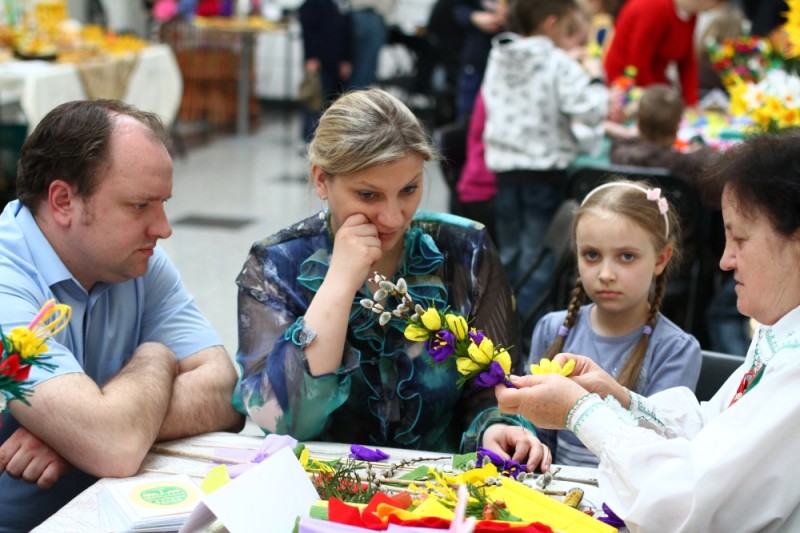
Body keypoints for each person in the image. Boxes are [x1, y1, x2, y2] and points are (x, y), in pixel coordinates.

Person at [496, 129, 800, 530]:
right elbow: (711, 429)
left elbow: (685, 501)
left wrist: (580, 411)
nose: (726, 260)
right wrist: (621, 398)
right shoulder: (780, 335)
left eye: (740, 239)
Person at [233, 88, 550, 470]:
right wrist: (338, 284)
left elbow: (492, 386)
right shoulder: (275, 265)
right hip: (321, 483)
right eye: (368, 195)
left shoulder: (465, 251)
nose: (393, 217)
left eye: (409, 189)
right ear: (321, 179)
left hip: (439, 486)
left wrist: (494, 427)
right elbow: (285, 420)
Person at [0, 100, 243, 533]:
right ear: (63, 201)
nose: (163, 227)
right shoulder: (6, 281)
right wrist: (156, 357)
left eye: (163, 203)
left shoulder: (135, 262)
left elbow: (227, 392)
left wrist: (77, 434)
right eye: (139, 206)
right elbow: (113, 446)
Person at [529, 179, 701, 466]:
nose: (606, 273)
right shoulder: (551, 329)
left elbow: (661, 448)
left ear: (661, 259)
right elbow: (534, 431)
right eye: (592, 255)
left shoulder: (676, 349)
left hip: (629, 499)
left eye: (626, 256)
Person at [482, 0, 608, 322]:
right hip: (544, 171)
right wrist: (595, 79)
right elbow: (589, 109)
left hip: (505, 169)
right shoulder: (556, 61)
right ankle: (523, 330)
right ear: (552, 24)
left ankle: (496, 320)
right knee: (539, 256)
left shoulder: (498, 55)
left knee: (509, 253)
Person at [604, 0, 726, 107]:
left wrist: (691, 103)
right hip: (625, 83)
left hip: (654, 84)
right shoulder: (654, 7)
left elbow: (687, 61)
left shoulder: (690, 14)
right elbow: (638, 64)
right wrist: (660, 101)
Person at [609, 84, 718, 181]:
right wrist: (696, 143)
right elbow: (710, 159)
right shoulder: (684, 163)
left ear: (638, 123)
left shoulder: (619, 152)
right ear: (676, 126)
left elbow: (625, 139)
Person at [298, 0, 352, 143]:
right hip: (319, 62)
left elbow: (345, 32)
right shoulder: (313, 4)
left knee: (332, 102)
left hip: (336, 63)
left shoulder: (341, 5)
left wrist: (345, 59)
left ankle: (327, 142)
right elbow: (308, 32)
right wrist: (311, 57)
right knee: (315, 102)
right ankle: (308, 140)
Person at [452, 0, 508, 121]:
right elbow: (456, 9)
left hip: (507, 59)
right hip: (476, 58)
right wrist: (474, 17)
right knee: (468, 114)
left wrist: (509, 17)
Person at [346, 0, 395, 90]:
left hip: (353, 14)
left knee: (347, 67)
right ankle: (355, 102)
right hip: (372, 16)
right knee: (363, 73)